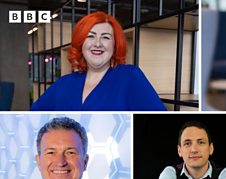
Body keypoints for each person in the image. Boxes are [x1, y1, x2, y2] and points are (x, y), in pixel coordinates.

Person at [31, 11, 166, 111]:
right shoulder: (64, 83)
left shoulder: (130, 77)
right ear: (81, 43)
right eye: (90, 36)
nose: (97, 43)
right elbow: (33, 116)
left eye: (105, 37)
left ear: (114, 45)